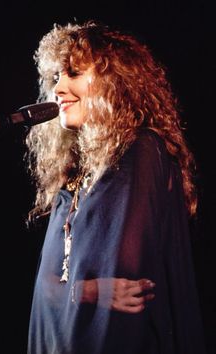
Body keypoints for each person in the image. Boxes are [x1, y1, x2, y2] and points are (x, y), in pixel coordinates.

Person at [25, 20, 206, 354]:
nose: (59, 89)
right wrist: (87, 291)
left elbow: (127, 281)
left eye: (74, 73)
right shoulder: (73, 178)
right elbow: (43, 290)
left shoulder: (140, 151)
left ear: (114, 81)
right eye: (55, 78)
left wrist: (72, 291)